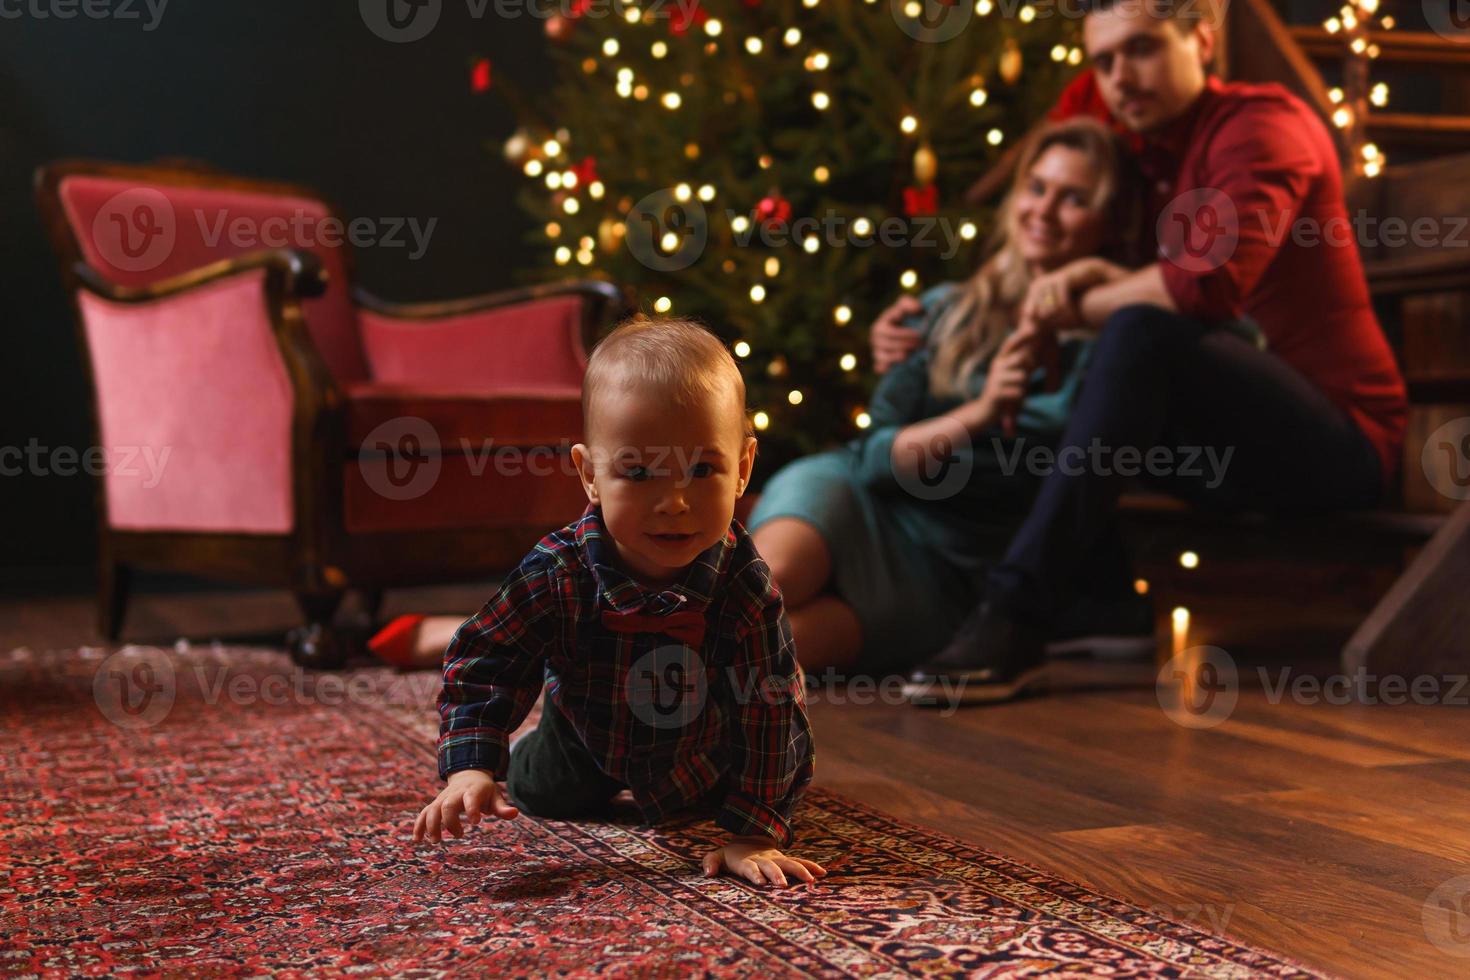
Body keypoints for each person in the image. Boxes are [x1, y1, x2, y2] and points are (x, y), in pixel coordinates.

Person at [890, 0, 1407, 705]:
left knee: (1137, 330)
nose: (1119, 78)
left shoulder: (1262, 125)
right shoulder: (1141, 154)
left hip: (1341, 447)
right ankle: (1093, 597)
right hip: (1219, 449)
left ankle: (1012, 615)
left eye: (1140, 49)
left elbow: (1205, 287)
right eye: (1102, 61)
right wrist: (924, 321)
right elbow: (1039, 240)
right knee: (1061, 384)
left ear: (1201, 36)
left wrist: (1074, 299)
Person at [410, 318, 826, 890]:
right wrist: (470, 767)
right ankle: (537, 756)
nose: (674, 502)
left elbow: (770, 709)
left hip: (702, 748)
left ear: (743, 470)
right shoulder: (557, 570)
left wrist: (754, 831)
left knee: (724, 785)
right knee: (544, 793)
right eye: (638, 472)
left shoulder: (746, 586)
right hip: (583, 733)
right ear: (590, 475)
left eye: (702, 469)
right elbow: (489, 662)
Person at [748, 117, 1151, 686]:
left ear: (1108, 222)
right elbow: (873, 460)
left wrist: (1107, 279)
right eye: (1036, 188)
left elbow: (1233, 341)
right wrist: (981, 413)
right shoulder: (945, 310)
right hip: (857, 498)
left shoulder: (1117, 354)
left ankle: (642, 707)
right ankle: (616, 700)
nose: (1044, 210)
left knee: (775, 651)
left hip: (946, 576)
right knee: (768, 592)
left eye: (1075, 199)